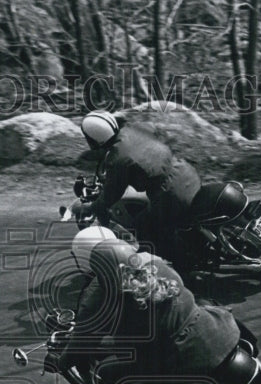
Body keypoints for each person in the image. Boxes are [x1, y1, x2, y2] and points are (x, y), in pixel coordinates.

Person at [48, 230, 259, 384]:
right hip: (217, 326)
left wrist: (61, 362)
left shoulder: (101, 296)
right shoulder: (158, 264)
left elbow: (83, 342)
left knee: (110, 373)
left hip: (183, 352)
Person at [78, 110, 202, 268]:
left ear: (95, 138)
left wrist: (92, 207)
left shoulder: (118, 158)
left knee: (144, 226)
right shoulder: (136, 129)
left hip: (170, 191)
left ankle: (184, 265)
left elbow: (111, 195)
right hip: (186, 172)